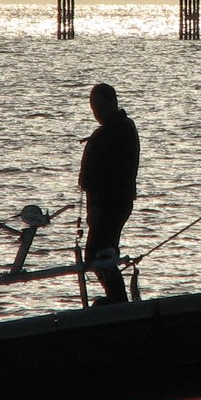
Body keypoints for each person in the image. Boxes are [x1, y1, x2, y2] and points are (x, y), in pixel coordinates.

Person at [78, 82, 139, 304]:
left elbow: (103, 176)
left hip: (111, 204)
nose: (97, 114)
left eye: (101, 108)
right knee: (104, 252)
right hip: (114, 202)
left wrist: (96, 207)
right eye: (94, 109)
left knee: (97, 253)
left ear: (112, 104)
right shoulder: (116, 129)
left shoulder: (117, 131)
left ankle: (118, 303)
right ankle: (116, 301)